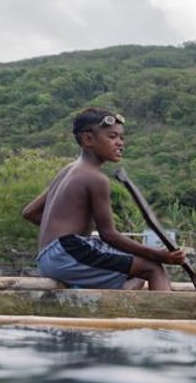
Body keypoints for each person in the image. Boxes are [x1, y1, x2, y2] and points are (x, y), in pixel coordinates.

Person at [24, 108, 187, 291]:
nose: (120, 143)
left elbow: (30, 213)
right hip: (67, 253)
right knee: (153, 268)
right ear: (88, 139)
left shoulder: (69, 170)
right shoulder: (96, 178)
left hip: (48, 258)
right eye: (112, 137)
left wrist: (70, 228)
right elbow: (109, 235)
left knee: (136, 275)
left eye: (121, 137)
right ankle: (163, 319)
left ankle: (121, 315)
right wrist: (158, 255)